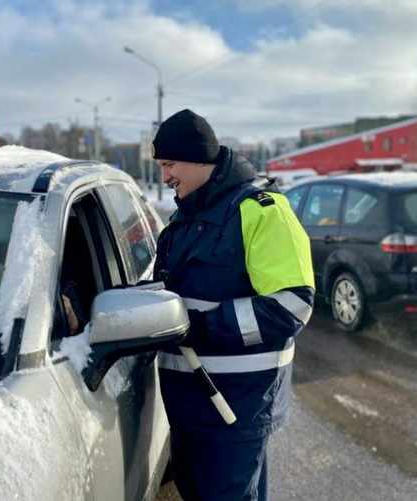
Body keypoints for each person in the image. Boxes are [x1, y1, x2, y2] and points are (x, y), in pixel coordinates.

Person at [151, 109, 314, 501]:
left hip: (236, 404)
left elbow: (292, 305)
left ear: (199, 159)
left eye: (169, 164)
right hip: (188, 403)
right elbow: (169, 289)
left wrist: (197, 326)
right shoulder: (186, 217)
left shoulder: (261, 211)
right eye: (160, 166)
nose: (164, 176)